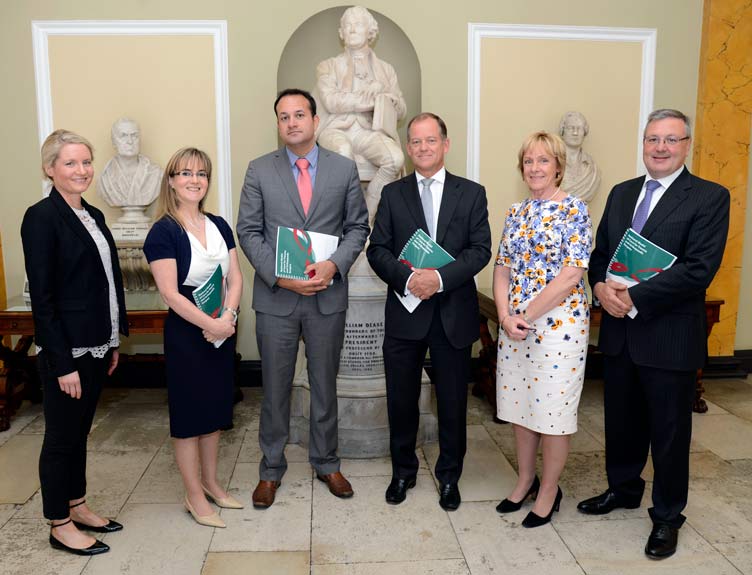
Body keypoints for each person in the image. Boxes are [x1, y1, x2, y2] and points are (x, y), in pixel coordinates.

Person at [577, 109, 730, 559]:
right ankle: (623, 489)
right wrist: (600, 287)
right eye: (652, 139)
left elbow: (698, 269)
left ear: (687, 145)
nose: (660, 148)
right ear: (643, 144)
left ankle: (666, 515)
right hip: (620, 334)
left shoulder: (709, 197)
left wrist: (633, 297)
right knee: (621, 423)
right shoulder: (622, 193)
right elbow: (600, 254)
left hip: (668, 335)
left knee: (669, 433)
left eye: (670, 139)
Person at [236, 88, 369, 508]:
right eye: (283, 116)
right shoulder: (259, 170)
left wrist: (334, 265)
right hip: (277, 299)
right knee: (274, 388)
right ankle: (271, 469)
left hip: (327, 297)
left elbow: (358, 228)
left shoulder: (343, 169)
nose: (291, 122)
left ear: (315, 120)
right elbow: (248, 231)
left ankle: (327, 462)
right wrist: (280, 277)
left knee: (324, 385)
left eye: (299, 114)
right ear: (278, 124)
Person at [367, 113, 491, 511]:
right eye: (416, 142)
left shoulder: (471, 193)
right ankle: (403, 471)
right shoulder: (393, 194)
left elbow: (480, 250)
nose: (423, 147)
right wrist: (408, 280)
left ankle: (449, 475)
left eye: (431, 140)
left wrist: (437, 279)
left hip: (453, 313)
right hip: (405, 313)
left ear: (445, 144)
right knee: (401, 400)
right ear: (408, 148)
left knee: (452, 402)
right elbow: (377, 250)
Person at [21, 129, 128, 555]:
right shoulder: (41, 217)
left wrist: (112, 340)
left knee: (80, 431)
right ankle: (59, 523)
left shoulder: (92, 214)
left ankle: (77, 504)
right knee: (61, 438)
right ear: (50, 169)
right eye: (70, 163)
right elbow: (43, 298)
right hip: (66, 351)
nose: (82, 170)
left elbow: (104, 283)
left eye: (86, 161)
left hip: (96, 344)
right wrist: (63, 363)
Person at [493, 131, 592, 528]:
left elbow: (572, 274)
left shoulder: (574, 209)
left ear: (558, 167)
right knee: (521, 408)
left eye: (543, 160)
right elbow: (502, 268)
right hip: (515, 327)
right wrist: (505, 316)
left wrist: (527, 315)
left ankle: (549, 490)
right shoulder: (515, 211)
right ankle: (525, 481)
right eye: (529, 161)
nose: (535, 168)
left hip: (559, 329)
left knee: (552, 412)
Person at [143, 148, 243, 528]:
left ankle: (212, 484)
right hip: (188, 332)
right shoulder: (163, 231)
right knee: (189, 416)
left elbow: (236, 276)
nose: (194, 180)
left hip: (222, 329)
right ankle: (193, 495)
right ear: (171, 181)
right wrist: (211, 324)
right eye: (185, 173)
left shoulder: (219, 223)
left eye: (201, 173)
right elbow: (170, 294)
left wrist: (228, 317)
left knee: (214, 411)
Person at [316, 5, 407, 222]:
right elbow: (331, 101)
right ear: (341, 33)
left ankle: (364, 219)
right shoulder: (327, 66)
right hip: (335, 130)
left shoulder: (386, 70)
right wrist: (370, 101)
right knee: (343, 153)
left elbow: (401, 109)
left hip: (369, 132)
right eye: (347, 25)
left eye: (358, 24)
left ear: (370, 31)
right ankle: (348, 220)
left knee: (395, 159)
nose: (352, 29)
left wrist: (384, 95)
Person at [97, 117, 161, 208]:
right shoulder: (105, 178)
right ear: (114, 142)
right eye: (123, 136)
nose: (130, 141)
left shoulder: (155, 174)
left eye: (134, 136)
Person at [558, 111, 601, 203]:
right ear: (562, 131)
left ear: (585, 132)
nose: (575, 133)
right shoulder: (553, 162)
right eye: (570, 128)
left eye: (579, 128)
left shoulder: (592, 169)